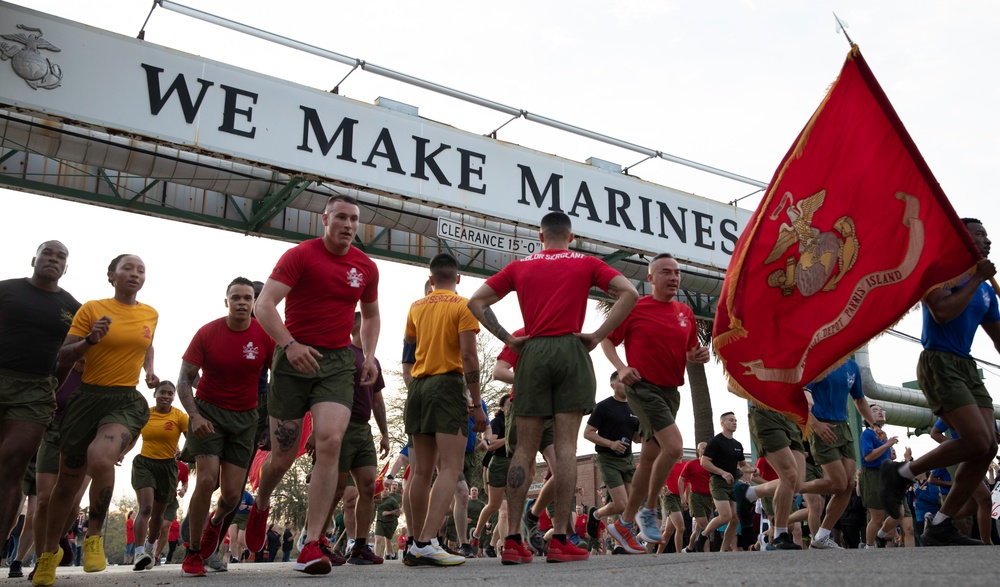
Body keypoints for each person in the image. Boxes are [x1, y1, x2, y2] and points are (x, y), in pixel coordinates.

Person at [468, 211, 638, 564]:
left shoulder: (520, 266)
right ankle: (560, 538)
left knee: (523, 451)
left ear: (540, 236)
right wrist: (596, 336)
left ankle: (512, 541)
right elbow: (630, 292)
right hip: (571, 348)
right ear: (570, 236)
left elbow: (475, 302)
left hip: (533, 351)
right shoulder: (587, 262)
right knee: (564, 447)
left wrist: (510, 341)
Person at [245, 194, 380, 575]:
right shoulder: (300, 255)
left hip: (336, 362)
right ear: (324, 219)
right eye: (341, 217)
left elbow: (370, 316)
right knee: (282, 457)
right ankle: (262, 501)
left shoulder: (366, 267)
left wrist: (367, 354)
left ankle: (311, 541)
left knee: (330, 441)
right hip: (292, 359)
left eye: (354, 219)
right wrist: (289, 345)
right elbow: (265, 305)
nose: (348, 225)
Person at [34, 254, 159, 587]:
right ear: (111, 275)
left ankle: (94, 536)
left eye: (141, 270)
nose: (135, 274)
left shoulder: (150, 313)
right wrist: (90, 339)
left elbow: (147, 343)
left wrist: (148, 370)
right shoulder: (91, 308)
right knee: (67, 484)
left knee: (101, 458)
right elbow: (64, 353)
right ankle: (48, 555)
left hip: (123, 400)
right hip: (86, 399)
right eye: (127, 269)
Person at [881, 218, 1000, 546]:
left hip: (967, 366)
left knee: (988, 444)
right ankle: (902, 473)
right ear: (962, 241)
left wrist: (980, 282)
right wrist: (977, 276)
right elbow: (943, 313)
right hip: (938, 361)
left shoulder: (988, 292)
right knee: (975, 439)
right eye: (979, 236)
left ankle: (942, 524)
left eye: (988, 236)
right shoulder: (938, 273)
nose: (987, 241)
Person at [600, 253, 709, 552]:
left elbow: (689, 350)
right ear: (650, 279)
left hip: (670, 392)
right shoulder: (635, 308)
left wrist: (698, 355)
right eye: (665, 272)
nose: (673, 277)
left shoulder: (685, 312)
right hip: (641, 386)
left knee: (648, 458)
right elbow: (606, 340)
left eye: (677, 272)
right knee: (674, 447)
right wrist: (621, 368)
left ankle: (623, 524)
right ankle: (649, 509)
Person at [175, 277, 274, 577]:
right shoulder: (207, 332)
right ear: (226, 301)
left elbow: (277, 382)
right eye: (236, 297)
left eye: (248, 298)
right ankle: (193, 553)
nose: (242, 302)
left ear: (255, 302)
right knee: (205, 480)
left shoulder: (265, 336)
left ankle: (214, 525)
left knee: (232, 496)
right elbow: (183, 380)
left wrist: (271, 422)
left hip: (246, 419)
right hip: (208, 414)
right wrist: (195, 416)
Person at [402, 253, 487, 566]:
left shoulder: (415, 307)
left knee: (421, 471)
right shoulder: (463, 305)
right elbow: (469, 356)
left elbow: (409, 351)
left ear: (431, 277)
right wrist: (477, 404)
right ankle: (426, 542)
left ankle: (414, 541)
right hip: (447, 385)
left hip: (419, 387)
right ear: (459, 278)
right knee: (450, 468)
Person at [0, 241, 79, 555]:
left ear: (65, 268)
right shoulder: (6, 290)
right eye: (48, 253)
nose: (53, 259)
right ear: (35, 259)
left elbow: (68, 358)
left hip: (35, 390)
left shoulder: (73, 308)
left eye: (61, 256)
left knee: (13, 463)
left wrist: (50, 389)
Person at [323, 310, 389, 565]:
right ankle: (317, 539)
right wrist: (319, 430)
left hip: (364, 429)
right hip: (341, 425)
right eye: (368, 325)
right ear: (355, 327)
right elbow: (323, 393)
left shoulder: (374, 360)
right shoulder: (343, 354)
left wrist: (384, 434)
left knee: (369, 487)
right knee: (336, 488)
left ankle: (360, 546)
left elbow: (377, 399)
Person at [794, 359, 877, 549]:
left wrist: (874, 425)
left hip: (843, 427)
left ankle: (822, 536)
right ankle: (796, 487)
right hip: (822, 426)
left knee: (848, 485)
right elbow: (801, 396)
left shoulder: (853, 366)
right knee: (838, 483)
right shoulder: (822, 361)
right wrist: (815, 424)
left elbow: (859, 399)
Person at [130, 381, 188, 571]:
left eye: (170, 393)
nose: (166, 396)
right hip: (144, 464)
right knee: (145, 507)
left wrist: (186, 452)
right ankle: (139, 553)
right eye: (162, 392)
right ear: (155, 394)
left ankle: (149, 548)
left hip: (168, 468)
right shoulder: (146, 413)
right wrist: (121, 451)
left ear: (174, 396)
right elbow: (133, 436)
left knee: (158, 515)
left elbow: (192, 438)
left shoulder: (179, 416)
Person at [582, 373, 639, 551]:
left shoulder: (634, 407)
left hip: (628, 460)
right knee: (622, 504)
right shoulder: (603, 407)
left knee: (631, 505)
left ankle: (621, 544)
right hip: (608, 459)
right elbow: (588, 433)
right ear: (613, 384)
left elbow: (636, 437)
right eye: (623, 381)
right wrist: (611, 443)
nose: (627, 385)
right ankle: (596, 513)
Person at [692, 412, 755, 553]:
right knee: (725, 516)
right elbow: (704, 461)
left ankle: (722, 551)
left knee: (734, 519)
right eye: (731, 420)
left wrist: (752, 470)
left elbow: (743, 465)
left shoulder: (738, 445)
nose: (734, 422)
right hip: (718, 482)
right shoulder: (715, 441)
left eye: (736, 420)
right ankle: (702, 536)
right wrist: (722, 472)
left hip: (732, 484)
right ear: (722, 423)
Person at [679, 442, 712, 552]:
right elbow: (681, 479)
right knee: (705, 525)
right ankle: (706, 553)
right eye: (703, 448)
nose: (706, 450)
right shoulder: (691, 464)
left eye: (707, 448)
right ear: (698, 451)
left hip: (709, 498)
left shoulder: (711, 465)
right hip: (695, 497)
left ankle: (689, 548)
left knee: (698, 527)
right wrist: (682, 498)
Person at [374, 481, 401, 559]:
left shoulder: (392, 500)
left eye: (387, 489)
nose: (385, 490)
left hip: (390, 522)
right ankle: (376, 557)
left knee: (388, 541)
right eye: (384, 489)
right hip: (379, 521)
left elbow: (398, 512)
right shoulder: (377, 500)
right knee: (378, 539)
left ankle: (391, 554)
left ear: (388, 491)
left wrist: (389, 512)